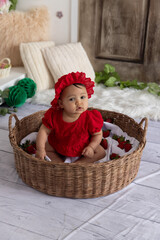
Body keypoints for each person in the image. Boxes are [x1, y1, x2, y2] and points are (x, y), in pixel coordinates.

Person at [35, 72, 106, 163]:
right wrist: (40, 149)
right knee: (46, 147)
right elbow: (43, 131)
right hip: (58, 144)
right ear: (61, 103)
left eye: (82, 97)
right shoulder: (54, 115)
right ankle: (60, 164)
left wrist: (91, 147)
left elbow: (97, 134)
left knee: (101, 152)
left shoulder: (90, 117)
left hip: (83, 146)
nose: (79, 103)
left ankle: (79, 163)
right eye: (72, 99)